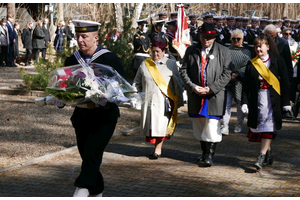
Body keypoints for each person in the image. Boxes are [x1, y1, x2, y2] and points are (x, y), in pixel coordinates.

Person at [53, 20, 125, 197]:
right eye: (78, 36)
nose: (80, 40)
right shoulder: (71, 60)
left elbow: (123, 87)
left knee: (92, 153)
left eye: (84, 36)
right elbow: (63, 84)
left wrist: (108, 93)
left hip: (104, 116)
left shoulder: (110, 59)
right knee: (87, 156)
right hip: (82, 117)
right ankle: (97, 191)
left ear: (96, 37)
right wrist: (60, 96)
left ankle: (81, 190)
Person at [180, 22, 231, 166]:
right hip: (196, 94)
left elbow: (227, 73)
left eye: (209, 38)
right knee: (200, 125)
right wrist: (193, 87)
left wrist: (212, 88)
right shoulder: (191, 50)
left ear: (214, 38)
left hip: (214, 95)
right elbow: (184, 71)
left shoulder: (224, 51)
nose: (206, 40)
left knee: (212, 125)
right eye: (203, 37)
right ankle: (203, 153)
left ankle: (210, 155)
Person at [241, 34, 291, 170]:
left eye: (261, 46)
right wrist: (244, 102)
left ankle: (261, 156)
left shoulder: (278, 61)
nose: (258, 49)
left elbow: (285, 83)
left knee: (269, 128)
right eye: (256, 47)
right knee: (261, 129)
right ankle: (268, 154)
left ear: (268, 47)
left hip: (273, 100)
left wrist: (286, 103)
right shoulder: (252, 64)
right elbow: (245, 86)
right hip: (257, 100)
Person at [132, 40, 183, 159]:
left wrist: (178, 100)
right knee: (150, 126)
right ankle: (155, 148)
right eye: (153, 51)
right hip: (148, 101)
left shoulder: (170, 64)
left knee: (161, 126)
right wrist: (136, 96)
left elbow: (177, 83)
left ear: (163, 51)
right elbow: (137, 82)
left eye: (158, 52)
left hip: (164, 102)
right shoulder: (145, 64)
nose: (155, 54)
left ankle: (158, 150)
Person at [221, 29, 252, 135]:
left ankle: (239, 123)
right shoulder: (226, 50)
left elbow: (247, 65)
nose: (236, 41)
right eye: (233, 39)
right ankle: (225, 125)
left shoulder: (246, 52)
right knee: (226, 103)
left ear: (242, 39)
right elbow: (223, 63)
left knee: (240, 103)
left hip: (240, 81)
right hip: (227, 80)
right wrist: (228, 74)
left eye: (238, 39)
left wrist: (238, 73)